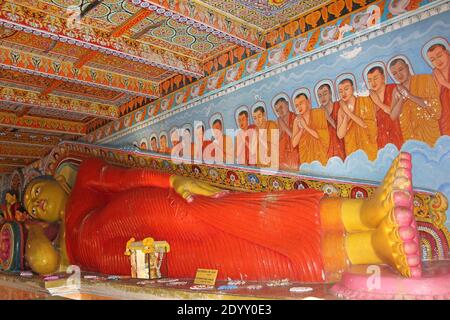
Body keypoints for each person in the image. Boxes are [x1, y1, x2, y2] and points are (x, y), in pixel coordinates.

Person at [23, 152, 422, 282]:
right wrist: (26, 232)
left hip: (152, 212)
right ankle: (373, 246)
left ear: (57, 178)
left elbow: (126, 179)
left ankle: (366, 210)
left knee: (241, 216)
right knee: (244, 263)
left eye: (37, 190)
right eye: (30, 204)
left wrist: (171, 180)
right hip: (151, 265)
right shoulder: (61, 253)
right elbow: (40, 264)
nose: (36, 201)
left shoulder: (84, 182)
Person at [388, 57, 442, 146]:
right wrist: (402, 99)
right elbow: (393, 116)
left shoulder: (425, 79)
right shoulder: (396, 90)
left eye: (401, 69)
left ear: (407, 67)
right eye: (394, 73)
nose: (399, 75)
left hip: (429, 134)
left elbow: (436, 109)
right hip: (410, 137)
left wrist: (409, 95)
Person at [336, 78, 378, 160]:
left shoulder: (364, 101)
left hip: (367, 145)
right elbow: (340, 135)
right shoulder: (341, 110)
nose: (343, 93)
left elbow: (365, 124)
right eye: (340, 91)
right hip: (352, 148)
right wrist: (345, 115)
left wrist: (349, 113)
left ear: (353, 88)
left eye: (346, 89)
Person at [366, 66, 404, 149]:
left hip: (397, 134)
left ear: (383, 77)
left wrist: (378, 103)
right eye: (370, 80)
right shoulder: (369, 99)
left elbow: (394, 113)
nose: (373, 83)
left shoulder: (394, 89)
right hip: (381, 140)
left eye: (375, 78)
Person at [291, 93, 329, 165]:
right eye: (297, 106)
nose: (299, 107)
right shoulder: (297, 120)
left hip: (320, 155)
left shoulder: (318, 113)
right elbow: (294, 143)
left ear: (308, 102)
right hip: (305, 157)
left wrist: (306, 127)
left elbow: (321, 136)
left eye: (301, 103)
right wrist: (301, 130)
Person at [316, 83, 346, 160]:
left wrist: (327, 117)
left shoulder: (339, 106)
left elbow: (341, 130)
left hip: (341, 147)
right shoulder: (318, 114)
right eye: (320, 96)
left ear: (330, 94)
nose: (322, 97)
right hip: (327, 152)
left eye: (325, 93)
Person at [426, 43, 450, 136]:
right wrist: (438, 85)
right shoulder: (435, 75)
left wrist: (443, 82)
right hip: (446, 116)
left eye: (439, 56)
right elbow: (435, 100)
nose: (437, 61)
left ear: (447, 52)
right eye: (432, 60)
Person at [273, 97, 299, 171]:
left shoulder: (296, 118)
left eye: (281, 107)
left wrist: (284, 126)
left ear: (287, 104)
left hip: (294, 155)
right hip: (282, 156)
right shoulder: (276, 123)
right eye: (277, 110)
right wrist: (281, 132)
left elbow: (294, 138)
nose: (280, 111)